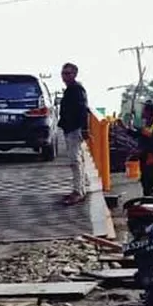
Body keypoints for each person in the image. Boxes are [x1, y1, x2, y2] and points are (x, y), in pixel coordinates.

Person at [57, 62, 89, 206]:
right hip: (70, 128)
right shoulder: (70, 89)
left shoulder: (76, 90)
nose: (65, 76)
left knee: (75, 161)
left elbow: (83, 110)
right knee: (77, 160)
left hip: (75, 129)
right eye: (63, 73)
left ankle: (78, 191)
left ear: (75, 74)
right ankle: (79, 189)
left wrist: (84, 128)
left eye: (68, 73)